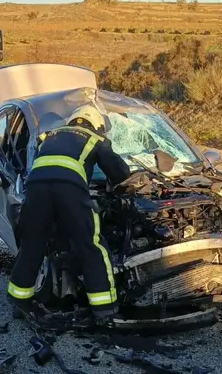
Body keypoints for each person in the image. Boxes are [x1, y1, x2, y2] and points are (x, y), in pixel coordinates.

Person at [7, 103, 131, 325]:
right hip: (69, 189)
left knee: (32, 244)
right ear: (97, 125)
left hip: (35, 188)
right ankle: (105, 309)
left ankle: (19, 302)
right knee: (91, 246)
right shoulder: (96, 139)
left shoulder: (49, 135)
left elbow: (38, 161)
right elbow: (120, 173)